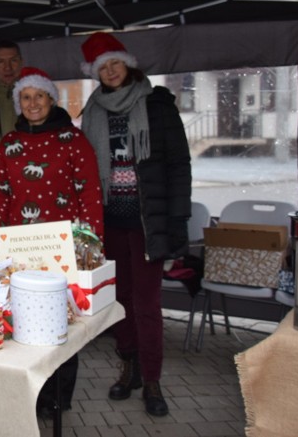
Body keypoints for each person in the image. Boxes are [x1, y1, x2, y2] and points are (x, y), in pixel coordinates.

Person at [79, 32, 191, 417]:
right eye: (102, 67)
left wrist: (177, 224)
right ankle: (129, 368)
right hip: (109, 221)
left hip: (148, 221)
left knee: (147, 304)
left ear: (127, 63)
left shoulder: (158, 105)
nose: (110, 71)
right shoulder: (92, 110)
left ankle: (154, 381)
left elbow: (179, 166)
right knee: (119, 300)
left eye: (114, 62)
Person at [0, 66, 104, 415]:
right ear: (18, 102)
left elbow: (90, 194)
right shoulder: (10, 143)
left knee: (59, 322)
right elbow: (1, 194)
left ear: (51, 99)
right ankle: (27, 392)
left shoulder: (74, 139)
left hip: (62, 246)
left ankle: (57, 397)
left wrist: (93, 245)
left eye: (39, 96)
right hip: (20, 246)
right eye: (26, 97)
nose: (33, 103)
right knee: (22, 317)